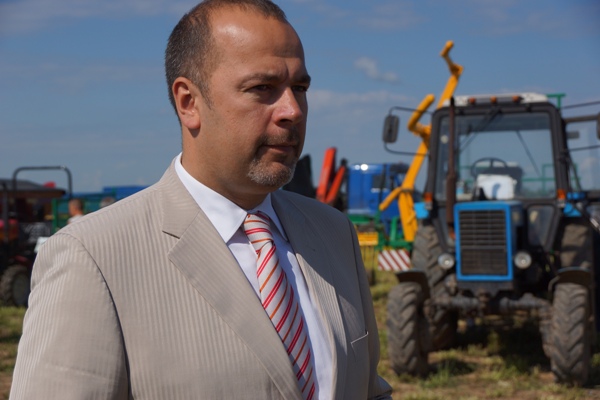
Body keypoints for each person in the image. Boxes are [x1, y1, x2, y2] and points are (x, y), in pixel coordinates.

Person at [10, 1, 393, 399]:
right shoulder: (93, 256)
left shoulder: (334, 234)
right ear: (188, 102)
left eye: (300, 88)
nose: (292, 111)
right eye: (262, 88)